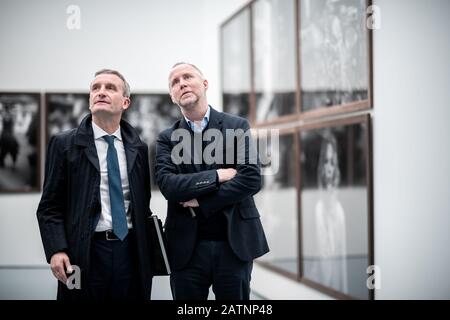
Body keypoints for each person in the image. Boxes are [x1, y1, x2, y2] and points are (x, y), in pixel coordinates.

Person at [155, 62, 269, 300]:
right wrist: (218, 175)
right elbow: (169, 185)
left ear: (204, 84)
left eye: (187, 77)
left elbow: (250, 179)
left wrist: (201, 201)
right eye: (175, 82)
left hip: (233, 244)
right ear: (172, 95)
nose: (182, 83)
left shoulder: (236, 126)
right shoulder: (167, 139)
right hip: (186, 248)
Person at [36, 69, 153, 300]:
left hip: (130, 251)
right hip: (84, 251)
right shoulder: (64, 144)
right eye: (95, 88)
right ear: (90, 99)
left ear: (125, 102)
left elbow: (143, 205)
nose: (101, 92)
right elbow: (49, 206)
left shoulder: (138, 148)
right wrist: (56, 249)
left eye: (110, 88)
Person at [314, 133, 348, 293]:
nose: (329, 168)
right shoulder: (319, 208)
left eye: (332, 163)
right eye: (326, 162)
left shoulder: (339, 210)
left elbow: (342, 258)